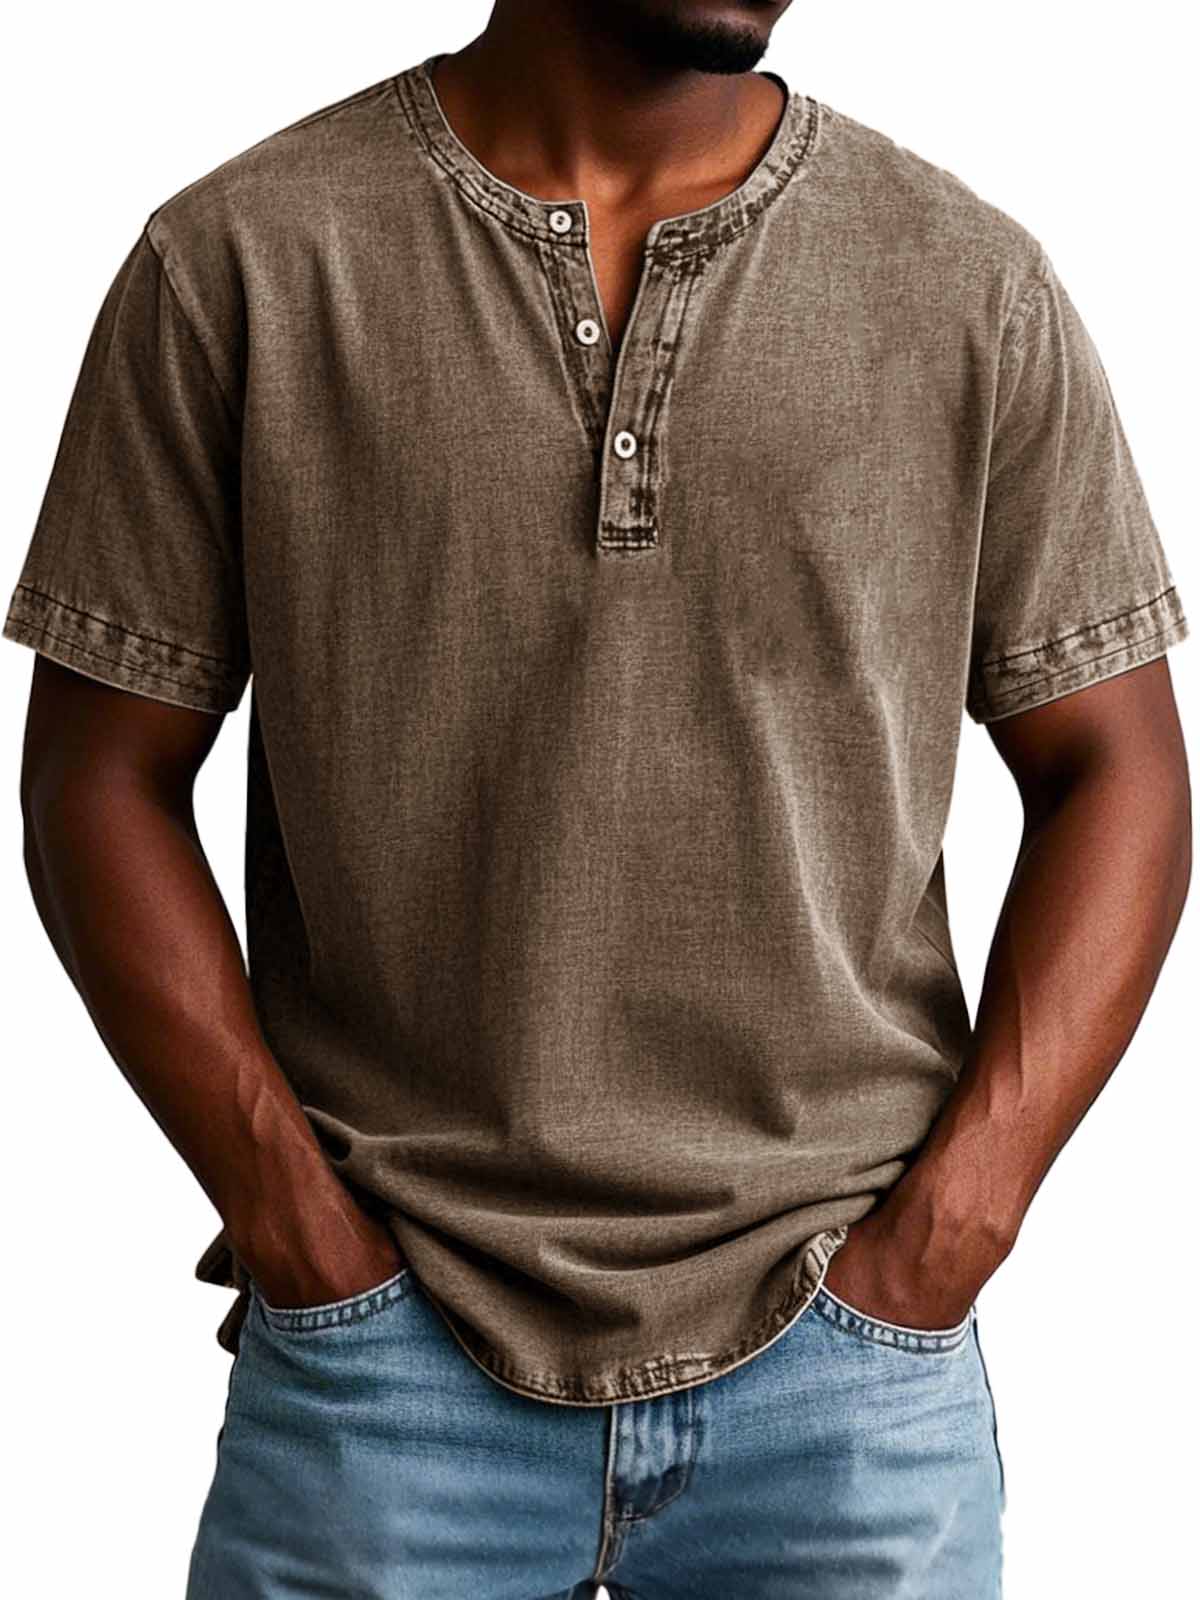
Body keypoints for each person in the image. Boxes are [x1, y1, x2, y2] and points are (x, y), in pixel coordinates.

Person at [5, 1, 1190, 1595]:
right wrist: (287, 1214)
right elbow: (101, 773)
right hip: (386, 1358)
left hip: (844, 1372)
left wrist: (960, 1217)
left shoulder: (968, 284)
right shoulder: (246, 261)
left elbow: (1116, 763)